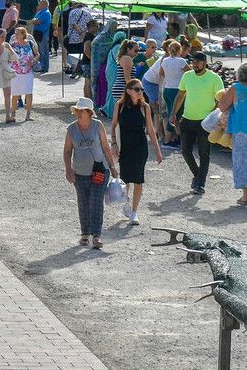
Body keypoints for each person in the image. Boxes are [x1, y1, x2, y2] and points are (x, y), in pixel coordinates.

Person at [63, 99, 119, 250]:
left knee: (95, 202)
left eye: (81, 111)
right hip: (79, 173)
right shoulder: (71, 129)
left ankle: (96, 235)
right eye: (77, 111)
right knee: (83, 203)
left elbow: (106, 148)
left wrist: (112, 167)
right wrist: (68, 169)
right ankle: (84, 234)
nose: (78, 113)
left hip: (99, 171)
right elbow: (67, 151)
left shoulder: (97, 125)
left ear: (89, 113)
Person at [110, 79, 164, 225]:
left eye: (141, 89)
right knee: (125, 179)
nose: (140, 91)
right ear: (128, 91)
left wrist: (158, 150)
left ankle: (134, 212)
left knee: (138, 180)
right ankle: (126, 203)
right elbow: (114, 125)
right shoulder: (119, 105)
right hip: (124, 147)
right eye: (137, 89)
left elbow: (151, 130)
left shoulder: (144, 107)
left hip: (140, 147)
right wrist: (114, 143)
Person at [171, 50, 224, 194]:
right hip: (187, 119)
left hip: (205, 122)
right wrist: (173, 113)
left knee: (204, 154)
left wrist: (214, 117)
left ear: (204, 62)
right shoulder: (187, 76)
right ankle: (197, 176)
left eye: (197, 61)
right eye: (192, 61)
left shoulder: (214, 78)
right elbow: (180, 94)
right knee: (186, 151)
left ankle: (200, 184)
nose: (194, 64)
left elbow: (221, 100)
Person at [216, 64, 247, 205]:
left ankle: (246, 196)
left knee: (241, 161)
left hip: (241, 130)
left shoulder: (235, 88)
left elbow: (222, 106)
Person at [156, 39, 188, 145]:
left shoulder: (165, 61)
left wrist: (170, 76)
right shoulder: (181, 61)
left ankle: (174, 137)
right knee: (174, 115)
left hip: (167, 89)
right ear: (179, 50)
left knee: (171, 113)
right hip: (177, 91)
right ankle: (168, 140)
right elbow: (191, 73)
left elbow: (161, 73)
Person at [7, 26, 38, 122]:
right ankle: (13, 114)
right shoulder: (12, 45)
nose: (15, 35)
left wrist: (33, 60)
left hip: (28, 72)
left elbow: (38, 54)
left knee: (29, 93)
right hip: (16, 73)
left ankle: (28, 115)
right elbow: (7, 57)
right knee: (15, 94)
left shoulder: (30, 43)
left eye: (17, 34)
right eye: (15, 33)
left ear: (23, 35)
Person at [33, 0, 53, 72]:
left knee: (44, 51)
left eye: (40, 4)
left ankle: (45, 67)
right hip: (38, 34)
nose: (39, 5)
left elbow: (36, 21)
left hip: (43, 34)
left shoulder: (46, 13)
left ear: (45, 4)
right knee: (39, 51)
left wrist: (33, 21)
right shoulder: (40, 12)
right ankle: (41, 66)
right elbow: (34, 20)